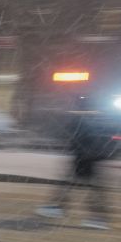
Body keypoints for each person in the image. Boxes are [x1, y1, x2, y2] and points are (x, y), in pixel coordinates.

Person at [36, 97, 113, 229]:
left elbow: (73, 137)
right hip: (92, 156)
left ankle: (94, 217)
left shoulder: (80, 119)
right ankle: (97, 217)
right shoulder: (98, 118)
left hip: (84, 156)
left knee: (73, 183)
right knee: (87, 185)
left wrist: (75, 148)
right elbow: (104, 138)